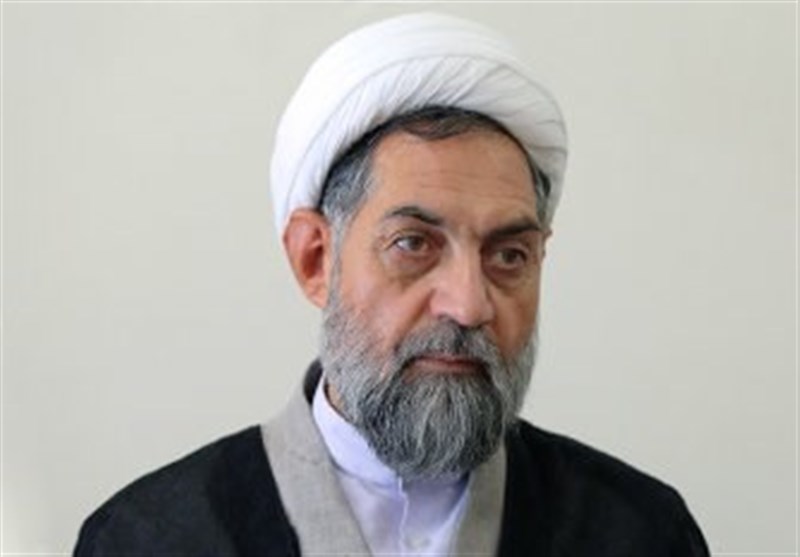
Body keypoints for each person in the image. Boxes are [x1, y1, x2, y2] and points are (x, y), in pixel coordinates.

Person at [74, 12, 709, 556]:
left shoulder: (639, 533)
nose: (468, 304)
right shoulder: (149, 539)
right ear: (315, 260)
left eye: (508, 255)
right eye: (413, 245)